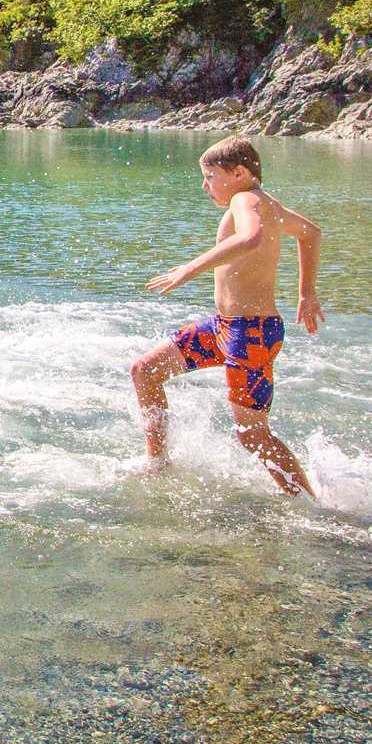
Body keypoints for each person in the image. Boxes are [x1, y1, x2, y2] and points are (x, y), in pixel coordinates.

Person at [130, 136, 322, 499]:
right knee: (146, 371)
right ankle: (157, 464)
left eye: (210, 176)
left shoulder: (245, 198)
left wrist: (189, 268)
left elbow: (250, 239)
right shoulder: (264, 202)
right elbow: (311, 233)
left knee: (252, 434)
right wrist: (306, 294)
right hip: (226, 327)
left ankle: (309, 504)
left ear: (238, 173)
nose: (205, 185)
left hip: (251, 334)